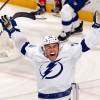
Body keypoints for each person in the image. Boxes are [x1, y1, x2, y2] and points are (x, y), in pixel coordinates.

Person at [0, 11, 100, 100]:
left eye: (54, 46)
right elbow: (22, 45)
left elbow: (87, 43)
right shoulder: (37, 54)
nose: (52, 49)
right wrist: (12, 30)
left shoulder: (69, 53)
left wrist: (96, 27)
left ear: (59, 47)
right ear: (43, 49)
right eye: (48, 47)